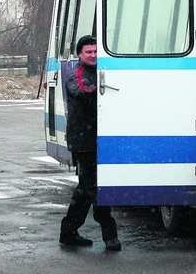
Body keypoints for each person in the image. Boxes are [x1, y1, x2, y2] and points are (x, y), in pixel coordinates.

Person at [59, 35, 121, 251]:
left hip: (103, 138)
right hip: (83, 140)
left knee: (93, 187)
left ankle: (69, 232)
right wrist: (105, 88)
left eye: (96, 51)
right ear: (80, 54)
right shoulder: (74, 74)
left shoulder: (103, 71)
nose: (93, 55)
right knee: (90, 188)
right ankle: (108, 235)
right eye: (89, 52)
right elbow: (84, 91)